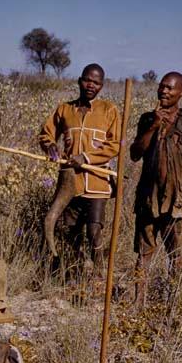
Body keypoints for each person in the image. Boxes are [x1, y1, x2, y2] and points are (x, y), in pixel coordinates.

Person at [129, 71, 182, 308]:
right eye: (162, 87)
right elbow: (135, 154)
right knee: (144, 253)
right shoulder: (147, 119)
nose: (164, 92)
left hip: (177, 201)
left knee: (175, 255)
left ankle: (173, 304)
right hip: (148, 198)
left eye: (170, 88)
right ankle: (139, 303)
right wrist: (154, 126)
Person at [39, 63, 121, 275]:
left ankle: (100, 272)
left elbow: (114, 145)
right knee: (71, 230)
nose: (90, 85)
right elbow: (46, 133)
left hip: (98, 181)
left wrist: (85, 157)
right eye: (87, 80)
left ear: (101, 86)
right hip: (70, 183)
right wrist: (50, 147)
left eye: (96, 82)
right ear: (79, 80)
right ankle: (77, 271)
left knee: (94, 230)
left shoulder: (109, 110)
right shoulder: (64, 109)